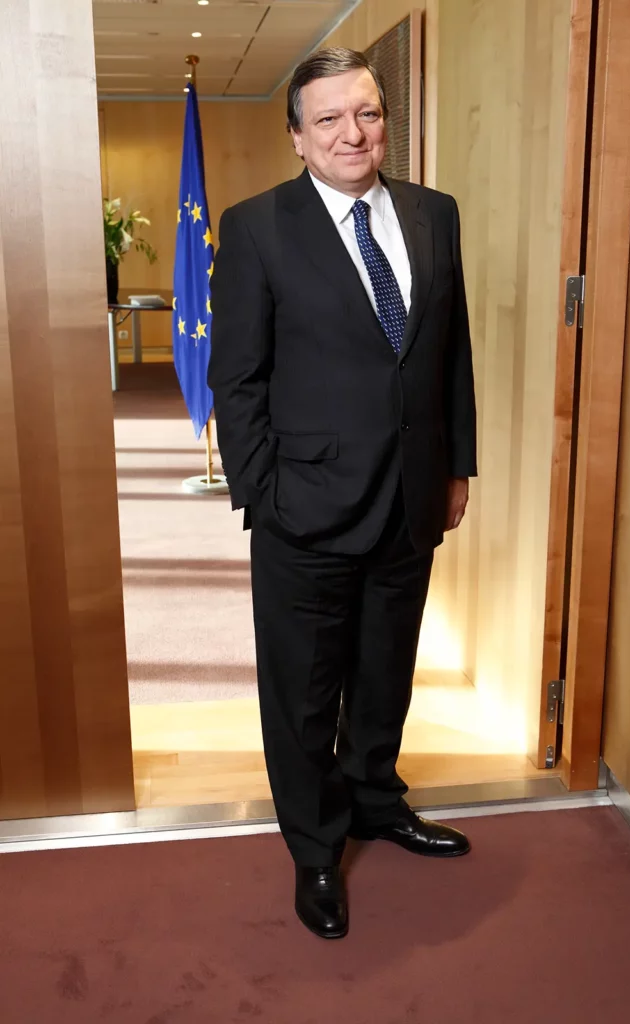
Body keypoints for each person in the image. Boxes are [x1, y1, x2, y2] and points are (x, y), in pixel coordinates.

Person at [208, 46, 477, 940]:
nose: (351, 134)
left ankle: (374, 801)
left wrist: (456, 466)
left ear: (383, 119)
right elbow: (237, 379)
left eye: (366, 113)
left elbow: (450, 352)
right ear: (297, 136)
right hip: (304, 506)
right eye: (327, 119)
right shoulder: (256, 228)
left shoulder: (434, 213)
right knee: (303, 691)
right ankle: (316, 847)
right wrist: (264, 495)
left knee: (384, 670)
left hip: (411, 496)